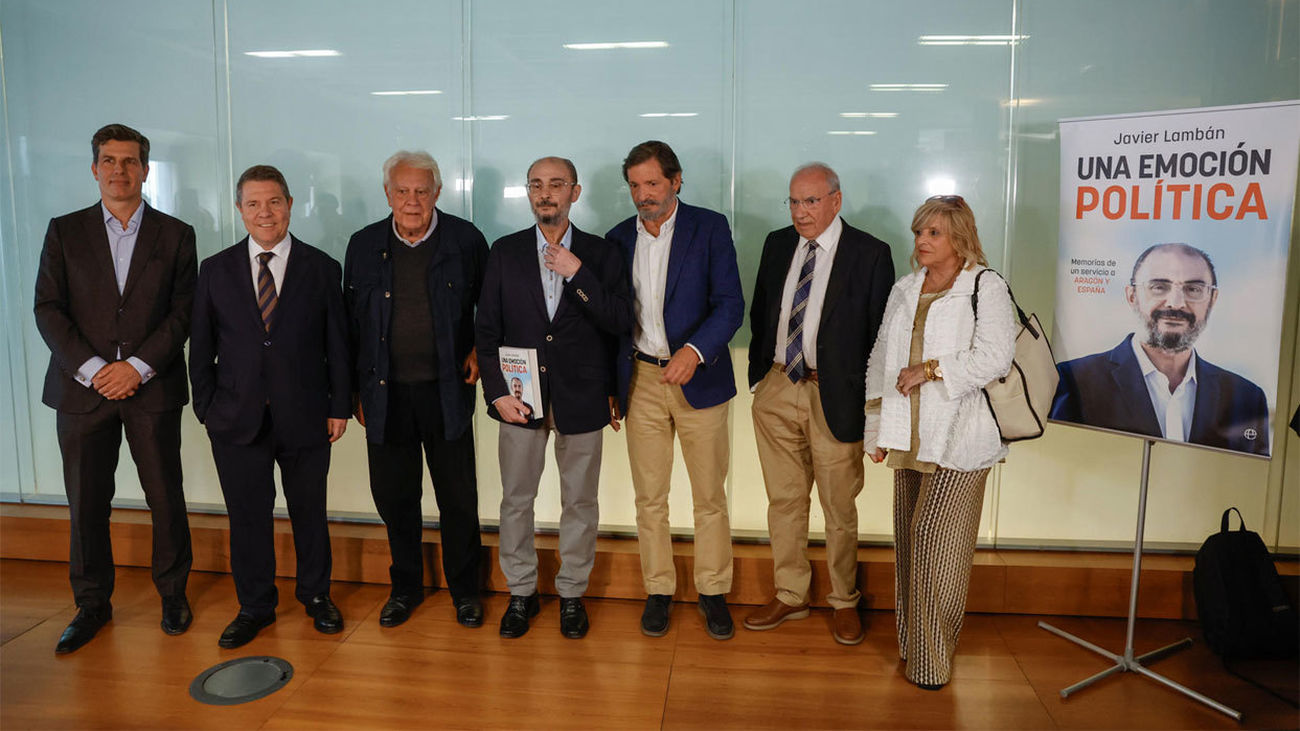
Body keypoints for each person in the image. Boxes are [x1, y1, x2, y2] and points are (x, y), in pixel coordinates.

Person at [34, 123, 196, 654]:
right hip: (83, 391)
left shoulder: (176, 234)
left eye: (129, 161)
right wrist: (96, 367)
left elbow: (182, 312)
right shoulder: (64, 231)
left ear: (145, 170)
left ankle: (173, 596)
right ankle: (91, 605)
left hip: (151, 387)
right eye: (109, 160)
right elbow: (49, 310)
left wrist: (139, 367)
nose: (119, 170)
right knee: (86, 502)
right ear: (94, 168)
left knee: (165, 498)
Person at [190, 165, 350, 649]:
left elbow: (338, 344)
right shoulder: (214, 270)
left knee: (309, 511)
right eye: (254, 204)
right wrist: (207, 409)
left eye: (274, 202)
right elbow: (201, 348)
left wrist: (340, 404)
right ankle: (255, 606)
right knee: (248, 517)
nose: (265, 213)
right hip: (236, 419)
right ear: (239, 210)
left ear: (290, 204)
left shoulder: (322, 268)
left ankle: (316, 596)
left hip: (305, 414)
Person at [863, 195, 1016, 689]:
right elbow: (881, 358)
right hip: (908, 434)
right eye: (919, 233)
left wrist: (930, 370)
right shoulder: (906, 287)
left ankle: (933, 663)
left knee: (935, 541)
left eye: (934, 233)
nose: (922, 242)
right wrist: (875, 427)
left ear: (960, 238)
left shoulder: (985, 286)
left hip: (962, 437)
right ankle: (914, 649)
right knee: (910, 541)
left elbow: (995, 357)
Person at [476, 156, 632, 639]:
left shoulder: (602, 255)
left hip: (582, 397)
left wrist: (576, 273)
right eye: (537, 185)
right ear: (528, 193)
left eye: (556, 184)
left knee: (579, 502)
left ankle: (571, 595)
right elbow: (486, 329)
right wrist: (497, 393)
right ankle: (521, 592)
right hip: (519, 400)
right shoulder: (504, 252)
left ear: (575, 193)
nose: (546, 193)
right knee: (516, 500)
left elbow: (619, 323)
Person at [744, 163, 893, 645]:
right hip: (777, 387)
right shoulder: (775, 243)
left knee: (838, 505)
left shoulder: (870, 254)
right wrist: (761, 379)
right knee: (784, 501)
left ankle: (845, 601)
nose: (800, 212)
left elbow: (880, 338)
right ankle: (790, 595)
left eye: (810, 201)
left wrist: (876, 413)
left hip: (836, 395)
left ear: (836, 201)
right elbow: (762, 308)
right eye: (793, 201)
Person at [606, 140, 744, 640]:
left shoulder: (709, 228)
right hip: (640, 379)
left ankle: (712, 590)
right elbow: (612, 320)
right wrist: (612, 385)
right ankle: (659, 589)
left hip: (699, 378)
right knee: (650, 497)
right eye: (635, 185)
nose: (643, 195)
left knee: (709, 496)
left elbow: (730, 304)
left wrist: (695, 351)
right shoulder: (617, 238)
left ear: (676, 181)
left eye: (653, 183)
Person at [344, 150, 488, 628]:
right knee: (395, 498)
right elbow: (349, 327)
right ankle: (405, 587)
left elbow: (491, 309)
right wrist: (352, 393)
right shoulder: (362, 245)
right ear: (387, 194)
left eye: (421, 191)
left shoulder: (466, 240)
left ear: (438, 194)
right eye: (402, 191)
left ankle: (466, 591)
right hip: (385, 396)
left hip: (446, 392)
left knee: (458, 500)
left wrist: (479, 352)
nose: (412, 200)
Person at [1050, 243, 1270, 455]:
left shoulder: (1247, 399)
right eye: (1158, 287)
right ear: (1132, 296)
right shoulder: (1073, 382)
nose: (1175, 303)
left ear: (1212, 299)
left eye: (1193, 289)